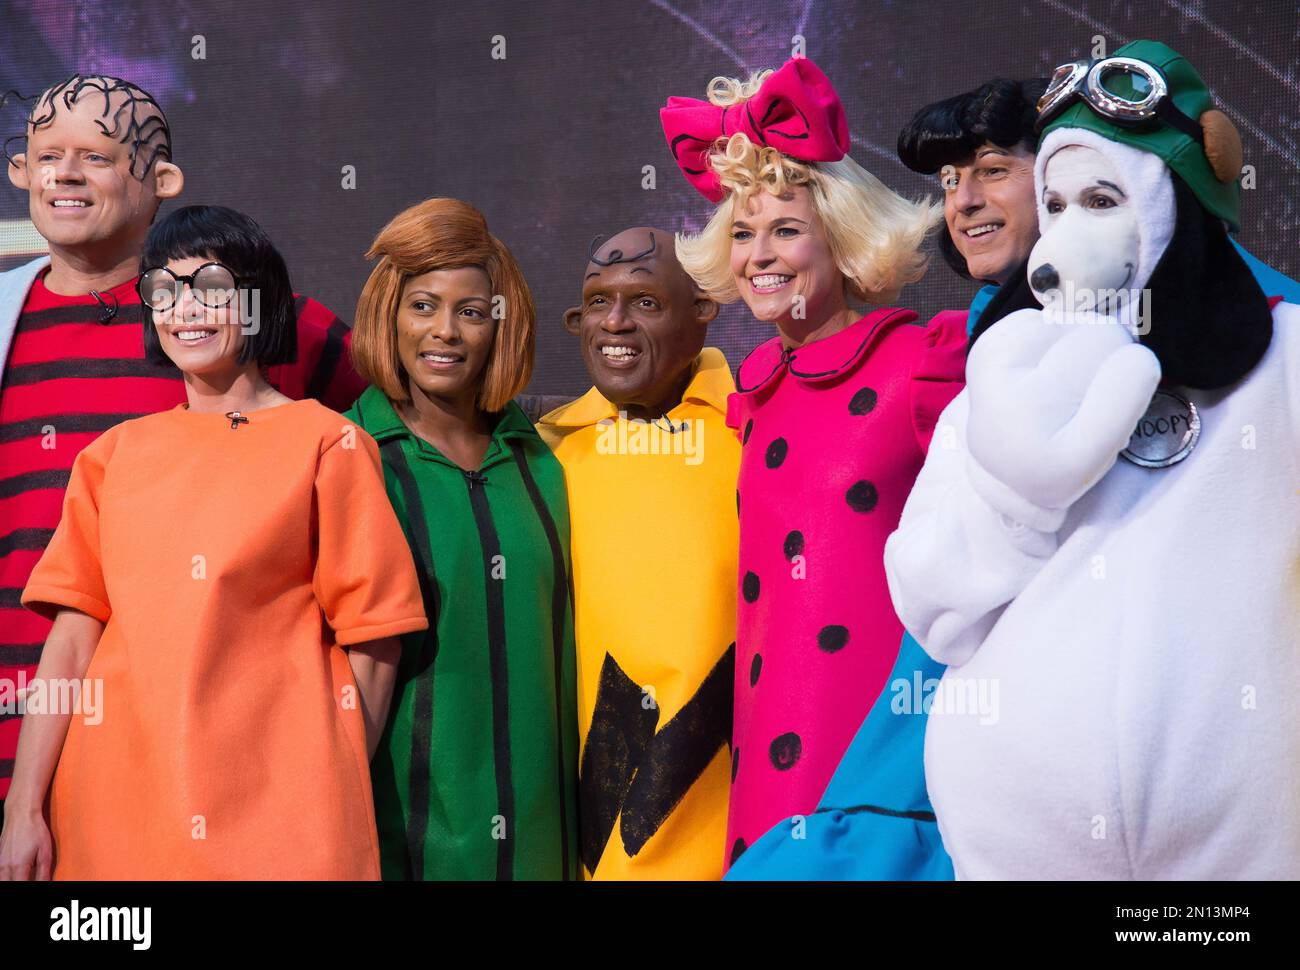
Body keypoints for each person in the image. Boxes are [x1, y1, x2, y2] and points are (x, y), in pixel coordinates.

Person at [885, 40, 1300, 878]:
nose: (1071, 234)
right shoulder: (1006, 376)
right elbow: (932, 601)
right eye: (1059, 205)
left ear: (1177, 202)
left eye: (1104, 199)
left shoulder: (1286, 364)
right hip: (1025, 849)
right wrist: (1022, 478)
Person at [0, 205, 425, 880]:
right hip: (112, 818)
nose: (184, 308)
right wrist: (24, 807)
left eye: (211, 286)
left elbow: (375, 637)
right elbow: (71, 642)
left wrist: (325, 779)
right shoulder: (113, 456)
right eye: (163, 290)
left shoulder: (328, 442)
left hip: (278, 828)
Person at [0, 75, 366, 822]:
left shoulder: (262, 320)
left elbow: (413, 432)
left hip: (196, 768)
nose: (65, 174)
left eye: (97, 157)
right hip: (16, 760)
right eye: (47, 156)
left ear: (162, 181)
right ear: (20, 172)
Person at [661, 57, 966, 872]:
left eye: (786, 229)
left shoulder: (923, 368)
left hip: (885, 760)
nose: (760, 254)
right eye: (743, 233)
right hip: (767, 764)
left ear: (841, 235)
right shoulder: (753, 394)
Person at [345, 198, 578, 880]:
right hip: (401, 853)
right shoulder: (342, 456)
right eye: (422, 305)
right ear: (388, 314)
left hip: (547, 851)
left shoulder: (546, 464)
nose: (444, 331)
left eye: (471, 312)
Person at [537, 226, 738, 880]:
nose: (615, 323)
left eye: (645, 302)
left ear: (703, 310)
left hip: (743, 835)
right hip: (595, 838)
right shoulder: (548, 455)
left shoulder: (759, 432)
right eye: (598, 303)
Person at [897, 75, 1300, 335]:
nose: (962, 202)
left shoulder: (1262, 309)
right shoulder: (987, 328)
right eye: (950, 180)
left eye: (993, 171)